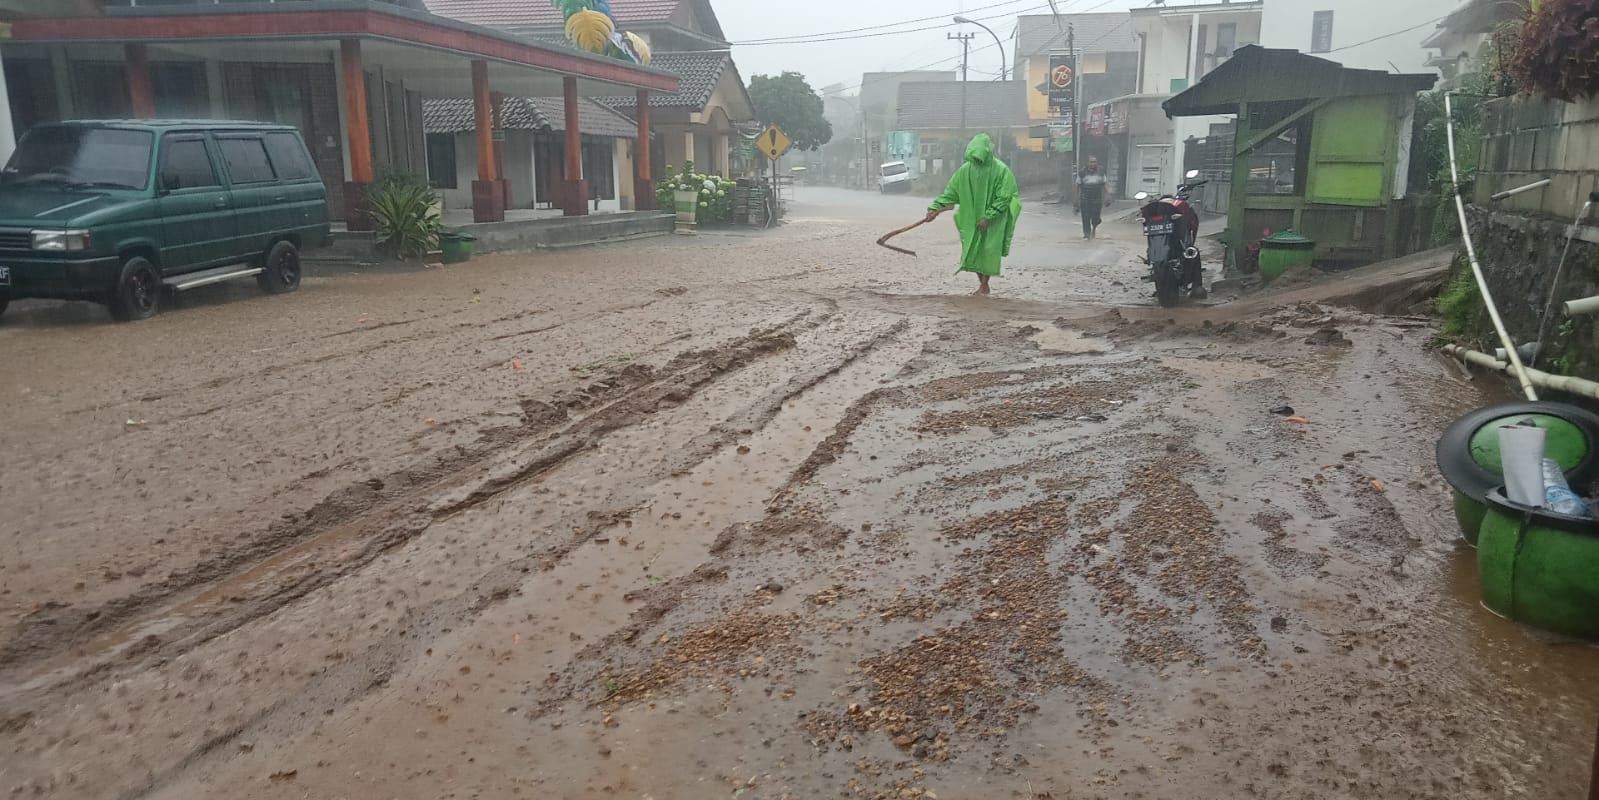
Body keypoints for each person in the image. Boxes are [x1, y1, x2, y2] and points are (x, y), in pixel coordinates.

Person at [924, 133, 1021, 296]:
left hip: (995, 221)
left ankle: (984, 285)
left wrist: (989, 216)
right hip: (971, 218)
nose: (977, 161)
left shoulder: (1001, 171)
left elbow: (1004, 197)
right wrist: (934, 208)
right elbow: (950, 193)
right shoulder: (964, 172)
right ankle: (983, 285)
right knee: (973, 249)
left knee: (989, 250)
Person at [1076, 156, 1107, 240]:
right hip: (1085, 197)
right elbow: (1078, 186)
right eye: (1091, 162)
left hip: (1097, 198)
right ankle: (1087, 234)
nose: (1093, 164)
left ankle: (1094, 228)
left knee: (1096, 217)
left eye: (1094, 162)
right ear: (1087, 163)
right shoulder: (1082, 172)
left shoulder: (1101, 171)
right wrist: (1076, 199)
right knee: (1085, 217)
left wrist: (1108, 195)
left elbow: (1104, 184)